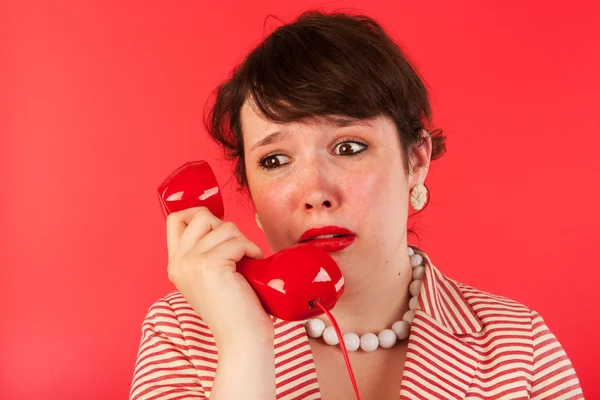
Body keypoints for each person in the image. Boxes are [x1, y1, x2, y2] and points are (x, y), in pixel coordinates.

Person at [129, 10, 583, 400]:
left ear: (416, 160)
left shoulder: (518, 345)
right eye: (275, 160)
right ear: (251, 191)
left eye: (349, 148)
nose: (314, 191)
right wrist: (245, 346)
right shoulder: (185, 335)